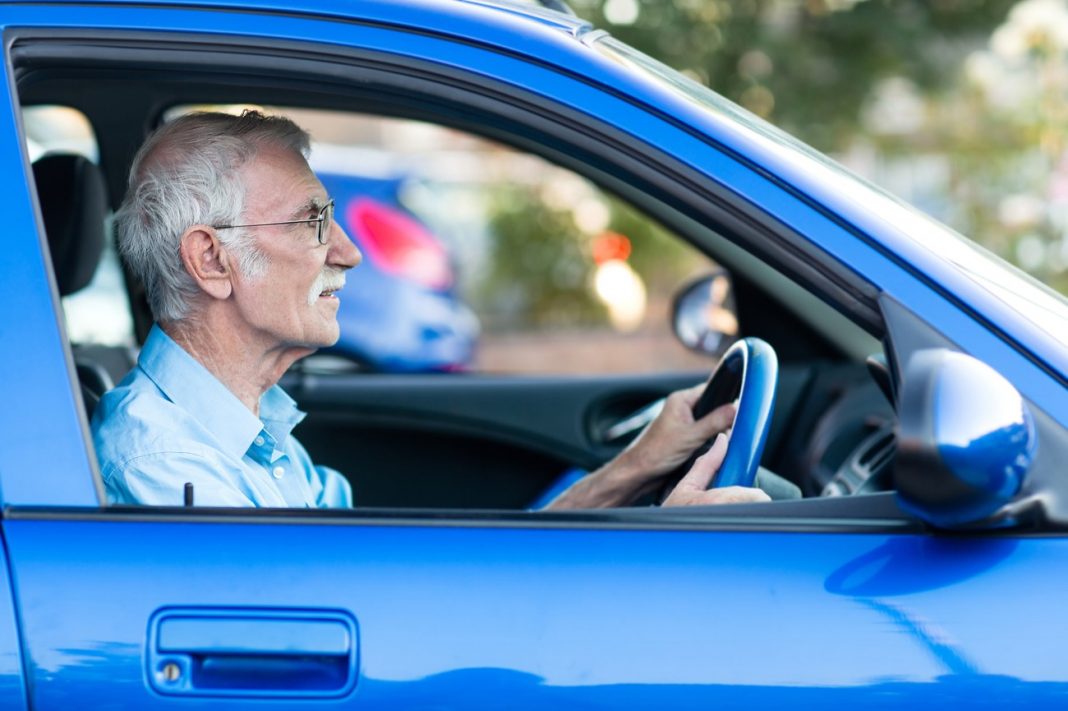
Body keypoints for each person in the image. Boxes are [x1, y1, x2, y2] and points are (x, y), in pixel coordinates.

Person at [92, 111, 770, 510]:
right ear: (212, 260)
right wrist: (664, 558)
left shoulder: (246, 432)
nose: (349, 252)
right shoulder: (169, 467)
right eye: (312, 222)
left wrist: (634, 470)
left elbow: (403, 606)